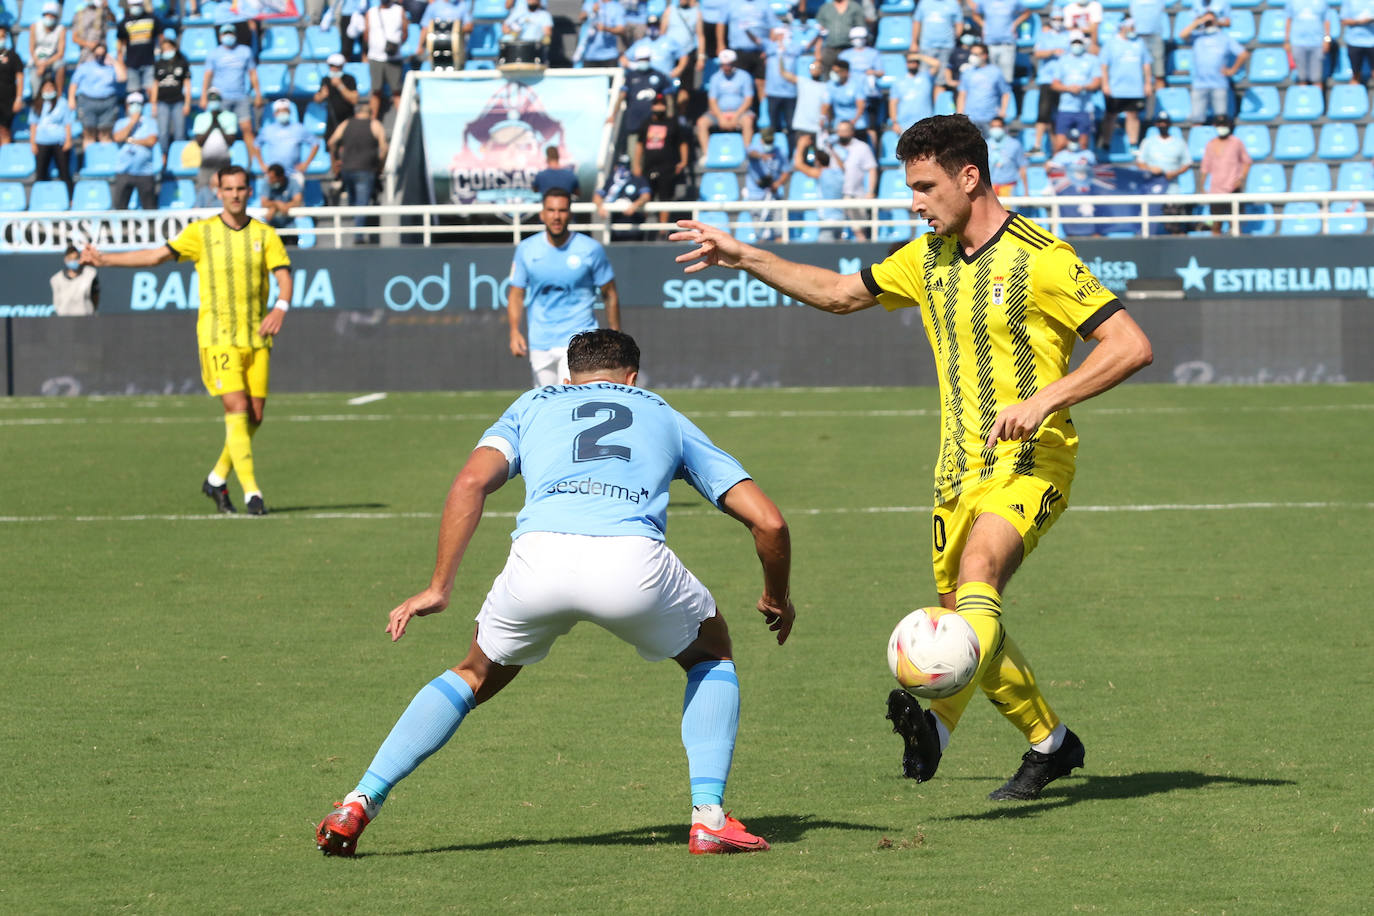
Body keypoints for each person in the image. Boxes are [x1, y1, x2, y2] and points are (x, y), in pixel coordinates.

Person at [671, 113, 1153, 801]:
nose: (915, 201)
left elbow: (1131, 345)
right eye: (911, 188)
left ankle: (937, 726)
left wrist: (1045, 400)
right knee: (966, 619)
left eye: (925, 186)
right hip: (954, 474)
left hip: (1031, 462)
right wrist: (743, 255)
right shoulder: (927, 258)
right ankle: (1050, 742)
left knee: (981, 575)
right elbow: (839, 293)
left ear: (969, 176)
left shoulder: (1041, 257)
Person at [314, 328, 793, 858]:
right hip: (632, 566)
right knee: (712, 653)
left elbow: (469, 484)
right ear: (633, 378)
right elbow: (769, 523)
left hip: (537, 563)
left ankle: (358, 801)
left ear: (568, 377)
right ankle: (708, 819)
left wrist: (438, 587)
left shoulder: (531, 404)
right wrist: (777, 597)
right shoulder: (662, 412)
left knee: (473, 674)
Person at [81, 164, 293, 517]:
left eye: (241, 188)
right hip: (218, 337)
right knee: (237, 408)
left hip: (257, 338)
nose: (235, 195)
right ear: (218, 191)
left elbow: (284, 276)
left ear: (249, 191)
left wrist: (280, 308)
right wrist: (106, 260)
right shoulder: (202, 232)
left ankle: (216, 479)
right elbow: (156, 256)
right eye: (229, 189)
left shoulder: (265, 234)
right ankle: (252, 493)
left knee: (254, 416)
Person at [508, 188, 620, 387]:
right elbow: (516, 294)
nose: (556, 216)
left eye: (562, 210)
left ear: (570, 213)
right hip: (541, 342)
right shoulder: (526, 249)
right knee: (547, 408)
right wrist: (514, 331)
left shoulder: (590, 249)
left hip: (580, 341)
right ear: (542, 214)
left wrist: (615, 335)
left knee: (571, 404)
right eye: (551, 210)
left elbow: (609, 293)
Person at [1178, 7, 1247, 123]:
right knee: (1196, 119)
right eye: (1207, 20)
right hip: (1199, 84)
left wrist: (1232, 70)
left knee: (1220, 120)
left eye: (1211, 20)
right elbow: (1182, 35)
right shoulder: (1197, 36)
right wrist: (1198, 22)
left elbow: (1243, 54)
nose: (1209, 23)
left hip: (1219, 84)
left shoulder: (1224, 38)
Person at [329, 100, 388, 233]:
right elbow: (384, 148)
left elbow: (331, 142)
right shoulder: (375, 124)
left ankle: (356, 229)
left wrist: (335, 161)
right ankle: (358, 235)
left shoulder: (346, 124)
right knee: (361, 203)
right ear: (371, 113)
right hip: (366, 170)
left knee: (354, 202)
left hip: (347, 170)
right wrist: (380, 165)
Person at [1134, 110, 1192, 233]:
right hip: (1152, 189)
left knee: (1173, 225)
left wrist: (1174, 173)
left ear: (1170, 124)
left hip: (1172, 189)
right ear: (1156, 124)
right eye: (1160, 122)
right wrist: (1151, 169)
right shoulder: (1148, 142)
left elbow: (1187, 163)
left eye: (1165, 122)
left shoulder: (1179, 143)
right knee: (1149, 225)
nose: (1163, 125)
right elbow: (1140, 162)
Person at [634, 92, 687, 224]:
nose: (659, 108)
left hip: (667, 167)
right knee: (645, 196)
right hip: (648, 166)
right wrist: (636, 164)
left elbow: (682, 143)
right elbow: (639, 145)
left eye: (661, 105)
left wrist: (683, 161)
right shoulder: (646, 123)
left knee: (665, 198)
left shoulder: (672, 123)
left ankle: (662, 231)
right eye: (656, 105)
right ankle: (644, 228)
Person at [1099, 17, 1152, 150]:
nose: (1134, 30)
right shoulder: (1111, 43)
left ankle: (1133, 143)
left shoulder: (1139, 42)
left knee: (1133, 115)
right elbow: (1104, 66)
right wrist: (1105, 84)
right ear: (1123, 27)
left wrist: (1147, 83)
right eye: (1131, 27)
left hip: (1135, 88)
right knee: (1110, 115)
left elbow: (1146, 65)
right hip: (1116, 87)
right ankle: (1106, 143)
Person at [695, 49, 755, 159]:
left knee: (748, 121)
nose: (726, 67)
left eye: (729, 64)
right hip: (719, 113)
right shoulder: (715, 78)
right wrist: (720, 117)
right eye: (723, 65)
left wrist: (736, 115)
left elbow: (748, 99)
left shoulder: (744, 76)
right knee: (701, 122)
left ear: (734, 63)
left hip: (740, 112)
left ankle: (746, 153)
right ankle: (707, 154)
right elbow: (712, 101)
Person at [191, 89, 246, 206]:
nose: (213, 102)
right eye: (211, 99)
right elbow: (199, 142)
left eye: (216, 99)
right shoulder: (200, 118)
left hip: (224, 163)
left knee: (227, 192)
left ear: (220, 101)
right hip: (206, 163)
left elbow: (231, 141)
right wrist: (212, 125)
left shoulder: (230, 116)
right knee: (202, 192)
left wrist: (219, 125)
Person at [1049, 30, 1101, 152]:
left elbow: (1097, 82)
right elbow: (1055, 84)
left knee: (1083, 144)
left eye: (1079, 42)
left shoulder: (1092, 60)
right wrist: (1068, 88)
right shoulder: (1063, 61)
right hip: (1066, 108)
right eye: (1074, 42)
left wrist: (1082, 87)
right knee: (1060, 144)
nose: (1076, 45)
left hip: (1084, 108)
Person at [203, 22, 262, 128]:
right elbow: (207, 76)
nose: (228, 36)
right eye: (225, 34)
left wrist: (258, 94)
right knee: (221, 129)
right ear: (220, 36)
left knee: (247, 129)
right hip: (221, 97)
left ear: (235, 35)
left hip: (241, 96)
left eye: (231, 33)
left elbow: (253, 74)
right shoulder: (214, 53)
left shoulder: (245, 51)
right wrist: (203, 97)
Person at [1199, 113, 1249, 235]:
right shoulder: (1210, 144)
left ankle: (1237, 250)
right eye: (1219, 124)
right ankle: (1215, 251)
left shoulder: (1236, 142)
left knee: (1235, 224)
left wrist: (1241, 179)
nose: (1222, 127)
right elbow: (1205, 167)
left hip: (1233, 188)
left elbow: (1246, 162)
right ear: (1215, 126)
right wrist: (1202, 185)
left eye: (1224, 124)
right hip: (1216, 190)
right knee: (1216, 224)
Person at [791, 131, 845, 240]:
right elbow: (841, 165)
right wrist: (831, 149)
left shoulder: (821, 174)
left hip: (827, 221)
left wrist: (801, 145)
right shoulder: (840, 172)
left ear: (818, 162)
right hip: (840, 220)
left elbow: (798, 164)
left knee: (826, 255)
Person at [67, 42, 122, 149]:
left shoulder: (111, 67)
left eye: (102, 54)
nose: (100, 56)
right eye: (98, 54)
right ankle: (90, 160)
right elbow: (74, 83)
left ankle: (104, 161)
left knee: (105, 134)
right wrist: (71, 99)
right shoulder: (85, 67)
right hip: (88, 101)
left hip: (108, 102)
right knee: (89, 133)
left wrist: (114, 61)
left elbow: (122, 77)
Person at [111, 91, 160, 210]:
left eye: (138, 103)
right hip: (124, 171)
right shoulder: (121, 123)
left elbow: (152, 140)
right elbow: (118, 137)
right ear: (127, 106)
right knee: (120, 209)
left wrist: (132, 140)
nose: (135, 106)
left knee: (149, 209)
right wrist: (132, 122)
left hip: (145, 172)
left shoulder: (150, 122)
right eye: (132, 103)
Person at [829, 118, 876, 239]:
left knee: (858, 230)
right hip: (834, 196)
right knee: (835, 232)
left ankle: (864, 255)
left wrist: (870, 191)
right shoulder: (830, 147)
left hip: (854, 195)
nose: (842, 134)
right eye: (840, 131)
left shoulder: (862, 147)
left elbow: (872, 169)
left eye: (845, 131)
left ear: (852, 132)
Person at [1030, 11, 1068, 157]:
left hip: (1064, 82)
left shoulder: (1068, 36)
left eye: (1061, 19)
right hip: (1047, 79)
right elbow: (1037, 53)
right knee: (1043, 114)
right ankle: (1037, 145)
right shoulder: (1044, 36)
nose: (1058, 21)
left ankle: (1056, 149)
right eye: (1056, 19)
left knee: (1058, 118)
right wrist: (1052, 52)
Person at [724, 0, 777, 103]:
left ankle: (764, 113)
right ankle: (742, 113)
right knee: (739, 83)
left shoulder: (765, 4)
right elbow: (721, 23)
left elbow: (773, 27)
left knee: (761, 82)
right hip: (738, 51)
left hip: (760, 52)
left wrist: (769, 49)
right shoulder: (732, 3)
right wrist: (721, 44)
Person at [151, 29, 192, 162]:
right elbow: (155, 85)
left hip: (178, 101)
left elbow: (187, 84)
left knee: (180, 131)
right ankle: (164, 157)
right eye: (164, 48)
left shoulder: (182, 63)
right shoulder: (158, 64)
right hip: (162, 101)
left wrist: (187, 103)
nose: (167, 50)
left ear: (174, 48)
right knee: (163, 131)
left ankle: (178, 157)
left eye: (169, 47)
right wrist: (153, 104)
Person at [743, 126, 789, 241]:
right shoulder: (755, 149)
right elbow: (750, 153)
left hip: (773, 195)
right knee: (759, 232)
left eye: (771, 141)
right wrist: (761, 156)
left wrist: (778, 183)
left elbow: (786, 171)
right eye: (767, 141)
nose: (769, 143)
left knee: (779, 229)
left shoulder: (779, 152)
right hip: (756, 195)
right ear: (761, 140)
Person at [30, 76, 75, 192]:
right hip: (42, 142)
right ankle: (39, 197)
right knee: (40, 173)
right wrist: (33, 143)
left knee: (64, 172)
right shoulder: (37, 104)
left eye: (51, 87)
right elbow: (33, 125)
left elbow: (67, 123)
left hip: (59, 141)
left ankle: (70, 199)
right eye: (46, 87)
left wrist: (68, 140)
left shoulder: (62, 103)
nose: (48, 89)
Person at [957, 42, 1012, 136]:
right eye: (972, 54)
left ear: (985, 55)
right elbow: (962, 94)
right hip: (970, 118)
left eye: (976, 54)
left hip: (990, 118)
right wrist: (960, 114)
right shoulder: (967, 72)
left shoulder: (996, 72)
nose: (973, 57)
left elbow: (1005, 92)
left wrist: (1003, 111)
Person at [363, 0, 407, 117]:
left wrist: (395, 46)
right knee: (376, 91)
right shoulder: (371, 12)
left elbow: (405, 32)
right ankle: (372, 122)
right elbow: (366, 34)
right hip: (375, 57)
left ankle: (403, 121)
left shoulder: (399, 10)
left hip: (394, 58)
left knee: (397, 91)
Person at [971, 0, 1030, 84]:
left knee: (1006, 79)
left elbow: (1026, 12)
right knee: (990, 78)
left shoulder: (1014, 1)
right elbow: (975, 13)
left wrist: (1015, 24)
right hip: (989, 43)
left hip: (1007, 43)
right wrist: (984, 25)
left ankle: (1005, 96)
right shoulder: (984, 2)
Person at [255, 98, 318, 175]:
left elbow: (315, 144)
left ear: (289, 112)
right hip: (273, 175)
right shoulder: (267, 130)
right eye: (279, 111)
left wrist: (306, 164)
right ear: (275, 114)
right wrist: (262, 164)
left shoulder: (299, 128)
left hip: (294, 173)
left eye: (285, 110)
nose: (282, 113)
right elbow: (256, 145)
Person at [888, 52, 939, 136]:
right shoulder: (898, 81)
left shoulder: (926, 77)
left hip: (926, 123)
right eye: (910, 61)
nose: (912, 64)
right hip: (904, 124)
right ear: (906, 63)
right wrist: (894, 122)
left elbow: (936, 64)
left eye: (915, 61)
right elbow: (893, 103)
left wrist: (919, 56)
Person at [118, 0, 161, 97]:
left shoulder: (152, 19)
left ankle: (151, 110)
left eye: (137, 5)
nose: (135, 7)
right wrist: (121, 62)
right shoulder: (125, 22)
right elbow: (120, 44)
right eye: (133, 5)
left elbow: (161, 37)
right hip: (132, 63)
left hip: (150, 62)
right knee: (133, 94)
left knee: (151, 91)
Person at [313, 53, 360, 142]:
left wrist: (340, 86)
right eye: (331, 66)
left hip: (348, 120)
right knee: (331, 146)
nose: (334, 69)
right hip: (332, 121)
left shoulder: (349, 79)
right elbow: (316, 99)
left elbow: (354, 100)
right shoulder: (325, 80)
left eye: (337, 66)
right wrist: (322, 95)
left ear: (342, 66)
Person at [1284, 0, 1331, 87]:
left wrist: (1327, 39)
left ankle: (1317, 99)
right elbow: (1288, 20)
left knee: (1317, 79)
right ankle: (1304, 99)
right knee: (1302, 78)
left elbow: (1327, 21)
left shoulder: (1322, 2)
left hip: (1317, 43)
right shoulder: (1292, 2)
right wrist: (1287, 40)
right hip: (1297, 42)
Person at [813, 0, 866, 77]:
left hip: (849, 48)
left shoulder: (855, 7)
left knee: (850, 74)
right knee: (826, 74)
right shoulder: (825, 8)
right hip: (830, 48)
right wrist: (817, 51)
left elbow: (861, 30)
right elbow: (820, 32)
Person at [911, 0, 963, 77]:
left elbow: (959, 23)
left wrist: (954, 38)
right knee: (925, 75)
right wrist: (914, 42)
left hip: (947, 46)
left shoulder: (953, 3)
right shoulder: (924, 2)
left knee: (942, 78)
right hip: (927, 45)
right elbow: (917, 22)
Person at [419, 0, 473, 70]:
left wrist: (456, 30)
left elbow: (469, 26)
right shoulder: (433, 6)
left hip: (457, 52)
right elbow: (425, 28)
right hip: (436, 49)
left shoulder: (462, 5)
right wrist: (420, 46)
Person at [28, 2, 67, 95]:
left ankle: (59, 95)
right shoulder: (34, 26)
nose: (49, 17)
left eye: (52, 15)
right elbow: (31, 48)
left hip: (52, 60)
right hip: (37, 59)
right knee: (34, 76)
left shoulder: (61, 29)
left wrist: (44, 64)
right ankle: (35, 99)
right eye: (47, 15)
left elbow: (60, 53)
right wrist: (38, 63)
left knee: (61, 65)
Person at [1129, 0, 1169, 92]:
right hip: (1138, 37)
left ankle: (1160, 100)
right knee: (1139, 75)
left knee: (1159, 74)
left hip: (1155, 35)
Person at [51, 246, 99, 316]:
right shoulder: (56, 279)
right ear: (65, 259)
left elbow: (95, 297)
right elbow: (56, 302)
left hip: (86, 318)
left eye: (76, 258)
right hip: (65, 319)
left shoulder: (90, 274)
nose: (73, 261)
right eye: (70, 259)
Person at [985, 114, 1026, 196]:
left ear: (1004, 128)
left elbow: (1022, 167)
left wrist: (1026, 191)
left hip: (1009, 187)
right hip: (990, 188)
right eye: (993, 127)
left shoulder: (1014, 144)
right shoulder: (985, 144)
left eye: (998, 127)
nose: (996, 129)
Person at [577, 0, 627, 67]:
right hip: (590, 55)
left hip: (609, 55)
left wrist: (606, 29)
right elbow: (580, 17)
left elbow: (621, 29)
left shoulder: (617, 7)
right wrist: (591, 11)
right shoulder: (590, 3)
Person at [259, 162, 304, 230]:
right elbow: (263, 203)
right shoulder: (267, 182)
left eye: (272, 178)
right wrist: (277, 204)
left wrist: (281, 207)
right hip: (270, 228)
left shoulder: (293, 182)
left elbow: (297, 201)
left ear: (281, 177)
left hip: (289, 228)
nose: (270, 181)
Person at [70, 0, 116, 65]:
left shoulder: (103, 11)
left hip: (101, 55)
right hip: (84, 56)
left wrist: (107, 7)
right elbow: (74, 38)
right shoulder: (79, 14)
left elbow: (113, 21)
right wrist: (89, 44)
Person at [1341, 0, 1374, 85]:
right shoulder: (1349, 2)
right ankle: (1355, 97)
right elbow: (1344, 20)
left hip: (1372, 42)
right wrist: (1360, 22)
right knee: (1355, 75)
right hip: (1354, 42)